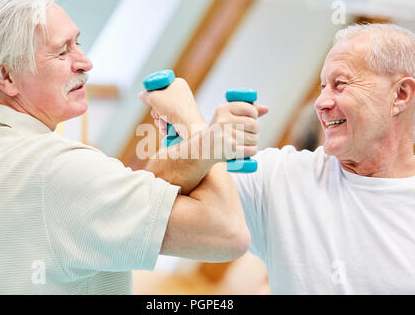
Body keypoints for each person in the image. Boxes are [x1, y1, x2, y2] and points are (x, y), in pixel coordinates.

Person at [0, 0, 267, 294]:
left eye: (77, 44)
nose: (85, 62)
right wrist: (194, 123)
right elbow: (228, 234)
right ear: (4, 75)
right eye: (61, 52)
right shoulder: (59, 171)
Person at [145, 23, 415, 294]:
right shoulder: (279, 177)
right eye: (323, 87)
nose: (321, 102)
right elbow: (147, 202)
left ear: (400, 95)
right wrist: (199, 134)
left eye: (340, 84)